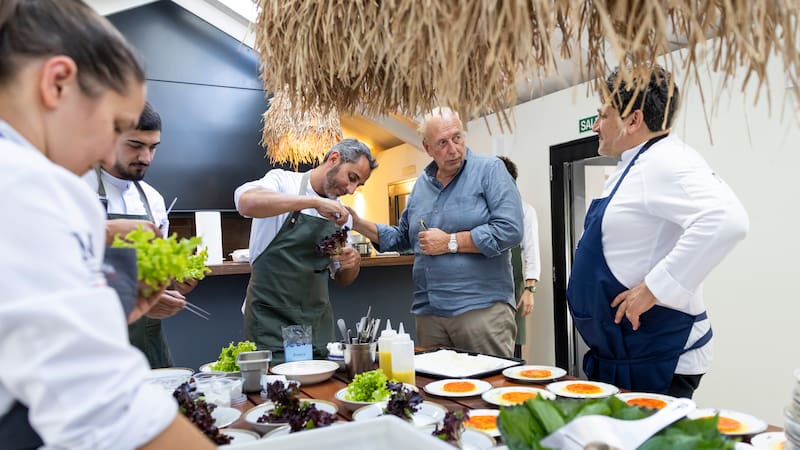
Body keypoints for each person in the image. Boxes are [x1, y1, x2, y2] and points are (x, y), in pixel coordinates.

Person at [0, 1, 214, 448]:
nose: (105, 153)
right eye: (115, 126)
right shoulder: (26, 182)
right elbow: (108, 415)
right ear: (57, 82)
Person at [567, 66, 749, 398]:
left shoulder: (666, 161)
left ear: (633, 120)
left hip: (657, 350)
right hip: (629, 352)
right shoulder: (635, 165)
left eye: (602, 115)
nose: (595, 125)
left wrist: (653, 288)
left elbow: (728, 219)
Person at [349, 107, 523, 357]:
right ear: (427, 147)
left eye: (457, 138)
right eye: (442, 142)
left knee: (488, 389)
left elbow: (511, 229)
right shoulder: (421, 185)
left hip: (480, 312)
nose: (453, 149)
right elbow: (401, 237)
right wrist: (357, 223)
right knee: (433, 391)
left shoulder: (491, 170)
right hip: (429, 313)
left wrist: (451, 242)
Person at [235, 138, 377, 363]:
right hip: (270, 320)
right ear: (333, 159)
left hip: (317, 325)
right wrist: (312, 203)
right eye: (351, 178)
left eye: (357, 185)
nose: (350, 190)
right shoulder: (283, 182)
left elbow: (342, 277)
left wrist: (352, 264)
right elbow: (245, 202)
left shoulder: (341, 215)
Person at [83, 101, 189, 369]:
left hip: (147, 342)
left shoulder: (153, 200)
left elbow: (157, 280)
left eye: (153, 147)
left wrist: (176, 285)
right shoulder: (77, 186)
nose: (146, 158)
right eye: (135, 145)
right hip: (93, 347)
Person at [498, 156, 541, 359]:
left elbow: (531, 250)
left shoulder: (524, 210)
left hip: (513, 287)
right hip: (484, 288)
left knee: (513, 345)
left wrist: (529, 289)